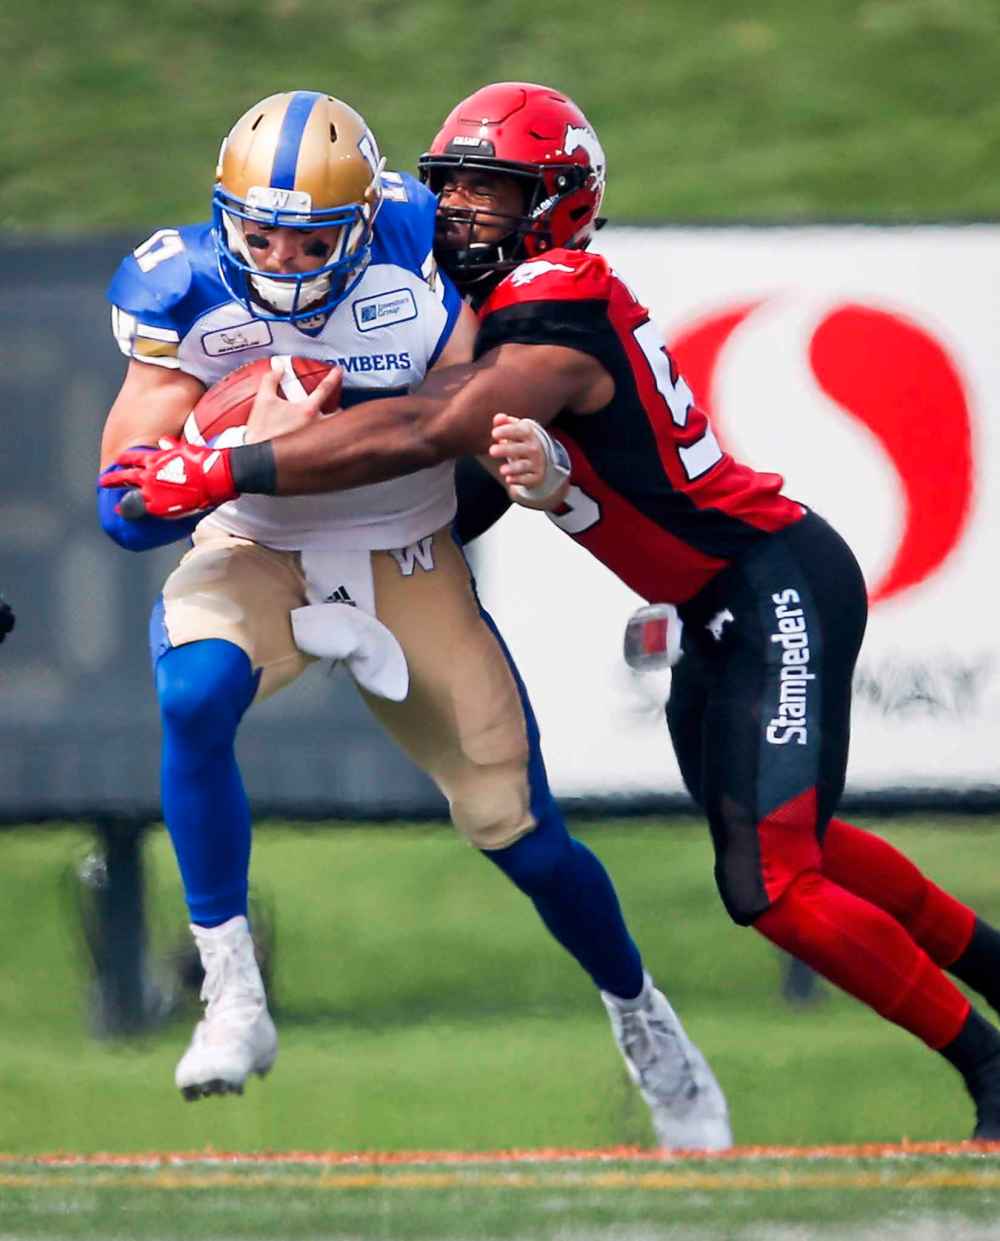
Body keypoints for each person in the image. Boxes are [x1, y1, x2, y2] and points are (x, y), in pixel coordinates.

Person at [110, 81, 1000, 1141]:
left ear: (561, 202)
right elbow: (466, 481)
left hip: (769, 579)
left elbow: (432, 426)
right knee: (791, 846)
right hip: (704, 602)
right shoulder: (467, 295)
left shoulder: (554, 299)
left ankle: (984, 1064)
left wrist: (227, 461)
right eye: (455, 187)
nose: (461, 213)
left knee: (772, 884)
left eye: (494, 192)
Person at [97, 89, 730, 1148]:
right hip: (258, 548)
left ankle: (640, 1012)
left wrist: (500, 454)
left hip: (407, 553)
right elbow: (120, 508)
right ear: (222, 218)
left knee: (520, 835)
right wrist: (206, 463)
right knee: (193, 692)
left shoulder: (425, 249)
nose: (282, 260)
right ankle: (233, 988)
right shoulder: (179, 287)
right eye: (259, 233)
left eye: (310, 240)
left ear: (365, 222)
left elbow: (457, 417)